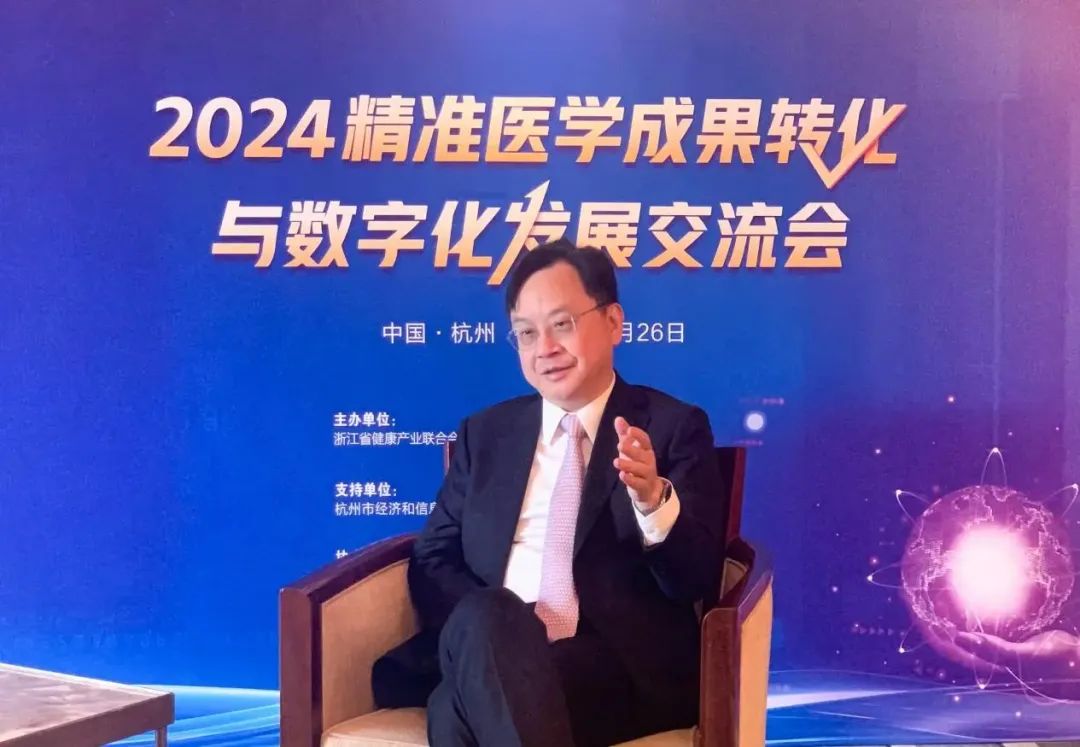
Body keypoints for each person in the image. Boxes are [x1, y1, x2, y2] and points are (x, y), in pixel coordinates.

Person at [372, 239, 727, 746]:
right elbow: (433, 559)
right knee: (491, 618)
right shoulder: (485, 435)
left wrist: (653, 504)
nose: (544, 348)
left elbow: (695, 578)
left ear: (613, 322)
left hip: (616, 664)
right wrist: (500, 635)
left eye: (562, 324)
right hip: (488, 643)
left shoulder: (671, 428)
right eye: (526, 332)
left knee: (452, 708)